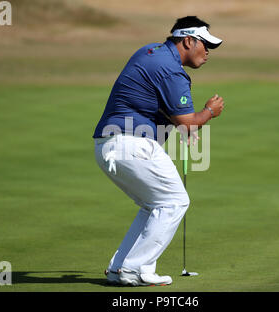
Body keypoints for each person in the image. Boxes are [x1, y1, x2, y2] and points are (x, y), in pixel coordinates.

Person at [93, 16, 225, 286]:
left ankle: (121, 268)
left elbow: (157, 105)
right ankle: (135, 269)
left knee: (154, 205)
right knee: (174, 202)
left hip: (108, 144)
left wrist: (182, 124)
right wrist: (209, 112)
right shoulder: (171, 70)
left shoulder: (149, 52)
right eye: (204, 44)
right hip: (131, 144)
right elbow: (188, 122)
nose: (208, 51)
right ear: (188, 41)